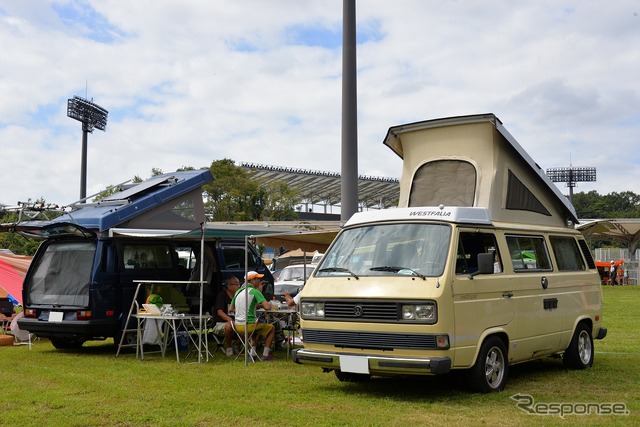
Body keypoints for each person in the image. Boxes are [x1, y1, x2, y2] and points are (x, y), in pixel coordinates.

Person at [230, 271, 276, 361]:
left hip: (237, 325)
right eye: (258, 279)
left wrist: (250, 307)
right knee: (272, 328)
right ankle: (265, 355)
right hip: (249, 325)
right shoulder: (255, 291)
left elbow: (231, 309)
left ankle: (252, 354)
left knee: (256, 329)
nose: (259, 281)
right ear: (252, 280)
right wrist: (261, 296)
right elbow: (267, 307)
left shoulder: (238, 292)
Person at [213, 276, 241, 356]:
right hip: (221, 323)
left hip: (237, 322)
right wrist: (230, 320)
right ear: (229, 286)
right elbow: (220, 312)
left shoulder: (239, 296)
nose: (239, 286)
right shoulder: (221, 296)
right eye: (236, 284)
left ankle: (236, 344)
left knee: (249, 325)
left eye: (239, 284)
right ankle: (229, 348)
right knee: (229, 325)